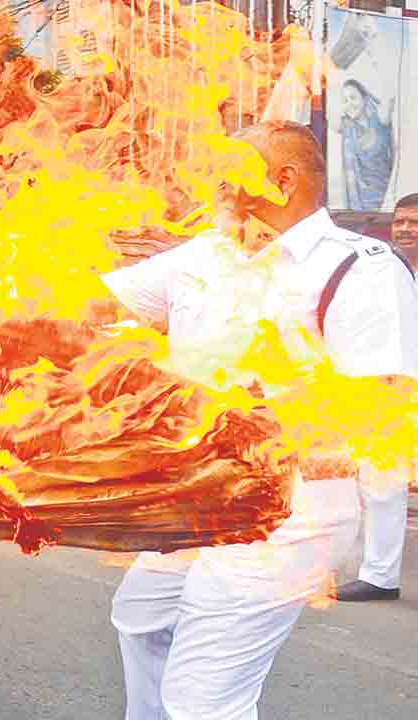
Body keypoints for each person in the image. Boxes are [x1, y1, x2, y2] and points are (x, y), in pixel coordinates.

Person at [105, 122, 418, 720]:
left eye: (230, 172)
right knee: (142, 618)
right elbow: (100, 304)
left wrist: (261, 414)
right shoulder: (209, 252)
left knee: (204, 699)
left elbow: (385, 401)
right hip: (198, 497)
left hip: (288, 511)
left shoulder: (360, 269)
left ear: (282, 180)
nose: (216, 185)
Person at [335, 191, 418, 602]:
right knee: (380, 481)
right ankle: (379, 575)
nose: (405, 228)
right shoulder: (380, 269)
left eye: (414, 222)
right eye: (400, 221)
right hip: (392, 391)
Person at [338, 79, 395, 212]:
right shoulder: (348, 130)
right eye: (345, 100)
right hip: (359, 206)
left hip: (386, 201)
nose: (349, 104)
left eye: (353, 98)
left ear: (364, 98)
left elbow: (391, 94)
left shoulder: (380, 121)